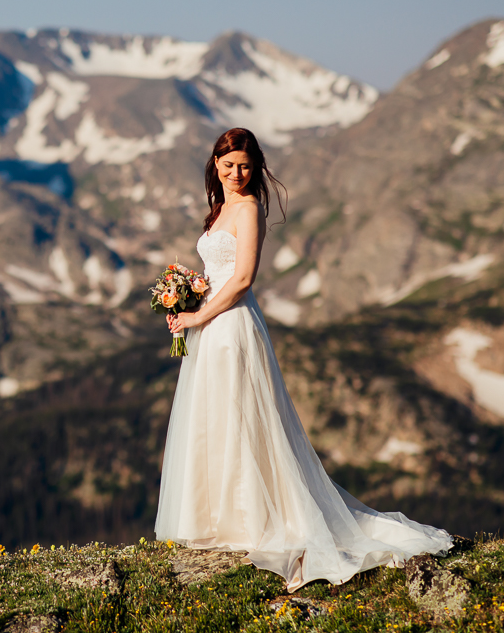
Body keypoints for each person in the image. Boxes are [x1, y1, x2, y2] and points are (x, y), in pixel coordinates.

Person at [154, 127, 452, 591]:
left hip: (231, 325)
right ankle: (215, 517)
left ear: (256, 170)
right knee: (212, 418)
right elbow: (217, 273)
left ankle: (251, 519)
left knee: (241, 418)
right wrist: (188, 304)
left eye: (245, 167)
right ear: (216, 164)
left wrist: (197, 316)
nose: (236, 173)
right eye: (229, 164)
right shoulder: (221, 208)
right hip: (211, 325)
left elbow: (242, 279)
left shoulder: (249, 208)